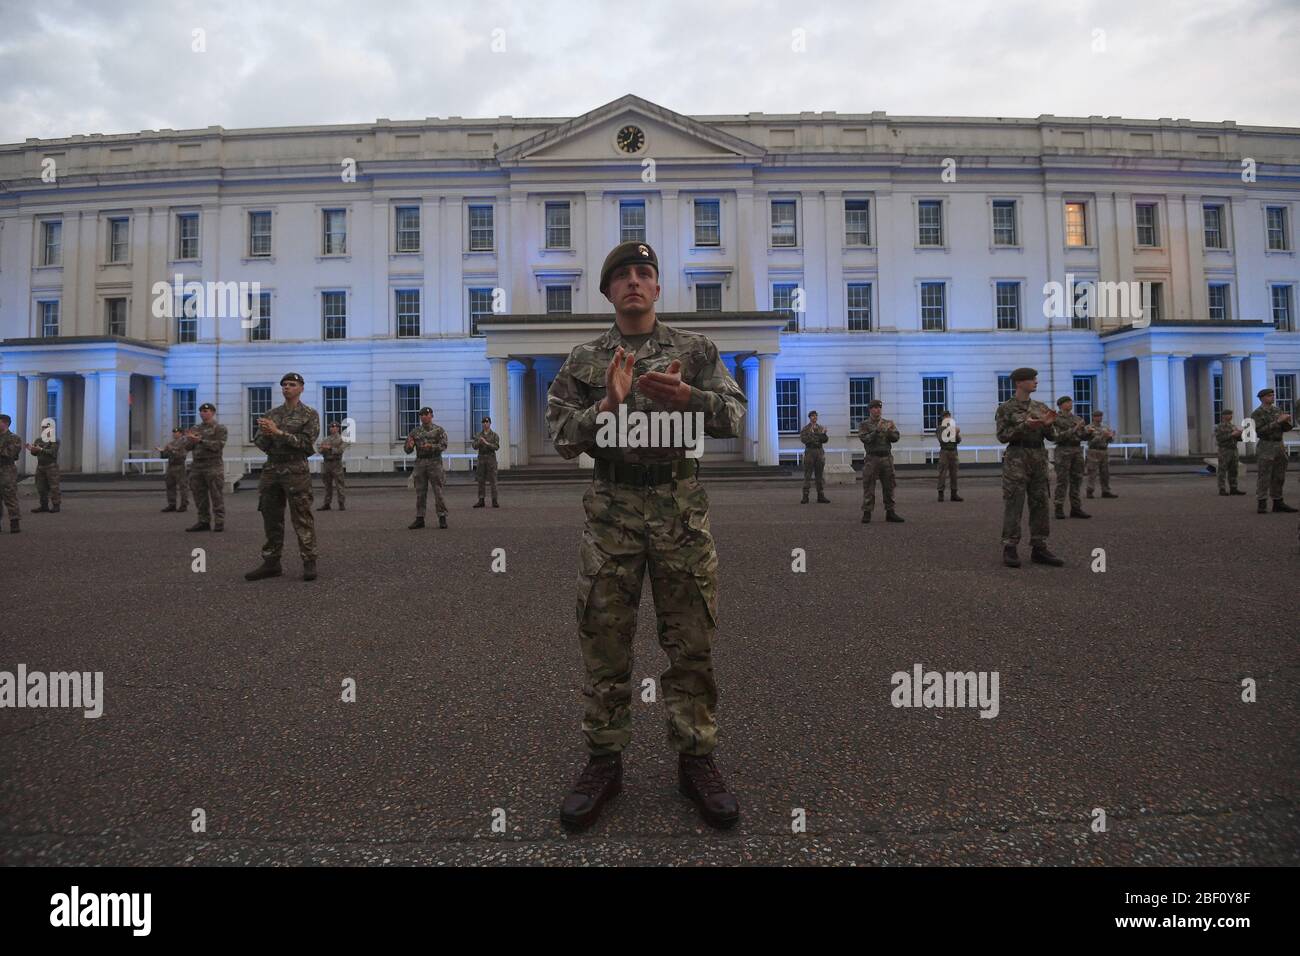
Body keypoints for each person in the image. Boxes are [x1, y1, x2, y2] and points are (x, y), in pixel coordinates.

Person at [547, 239, 746, 832]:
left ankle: (696, 759)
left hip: (679, 507)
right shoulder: (586, 358)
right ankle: (604, 759)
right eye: (622, 276)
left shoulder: (695, 349)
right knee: (604, 637)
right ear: (608, 291)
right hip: (612, 509)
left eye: (644, 273)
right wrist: (606, 403)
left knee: (691, 638)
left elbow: (736, 416)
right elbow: (561, 436)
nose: (634, 282)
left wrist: (693, 397)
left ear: (658, 288)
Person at [246, 373, 320, 582]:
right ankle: (271, 562)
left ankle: (309, 560)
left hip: (295, 469)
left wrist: (278, 433)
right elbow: (260, 442)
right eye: (285, 385)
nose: (287, 388)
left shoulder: (309, 414)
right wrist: (266, 434)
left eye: (292, 385)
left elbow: (306, 445)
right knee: (270, 516)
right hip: (272, 469)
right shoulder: (272, 413)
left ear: (301, 388)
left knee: (302, 516)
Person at [995, 367, 1064, 568]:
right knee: (1014, 503)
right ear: (1019, 383)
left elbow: (1054, 437)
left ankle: (1039, 547)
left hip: (1038, 457)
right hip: (1017, 458)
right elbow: (1002, 436)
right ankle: (1010, 547)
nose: (1036, 382)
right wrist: (1026, 426)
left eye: (1035, 379)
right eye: (1031, 379)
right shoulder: (1006, 409)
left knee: (1040, 502)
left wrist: (1048, 424)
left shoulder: (1041, 407)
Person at [1249, 387, 1296, 514]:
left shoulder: (1277, 410)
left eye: (1273, 395)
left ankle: (1278, 502)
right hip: (1266, 445)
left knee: (1279, 475)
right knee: (1264, 475)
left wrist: (1286, 422)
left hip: (1279, 445)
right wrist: (1277, 422)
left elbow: (1286, 428)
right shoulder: (1256, 413)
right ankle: (1262, 502)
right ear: (1262, 398)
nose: (1272, 397)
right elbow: (1259, 431)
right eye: (1270, 395)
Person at [858, 400, 903, 523]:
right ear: (870, 410)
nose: (878, 410)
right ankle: (867, 512)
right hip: (872, 458)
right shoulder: (864, 424)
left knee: (889, 486)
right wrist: (876, 431)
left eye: (879, 408)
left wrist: (889, 432)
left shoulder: (888, 423)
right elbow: (865, 439)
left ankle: (890, 512)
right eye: (875, 408)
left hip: (886, 458)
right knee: (869, 486)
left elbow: (896, 438)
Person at [184, 403, 227, 532]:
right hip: (197, 466)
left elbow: (218, 446)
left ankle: (219, 522)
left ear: (213, 412)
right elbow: (187, 447)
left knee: (216, 495)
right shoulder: (195, 428)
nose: (204, 413)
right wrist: (190, 440)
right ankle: (203, 521)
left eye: (207, 411)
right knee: (199, 495)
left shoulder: (219, 428)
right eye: (202, 411)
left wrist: (200, 441)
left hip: (213, 466)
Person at [405, 407, 448, 529]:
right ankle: (420, 518)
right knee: (420, 492)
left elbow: (444, 445)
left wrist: (431, 446)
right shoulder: (415, 432)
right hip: (420, 463)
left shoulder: (439, 430)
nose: (424, 416)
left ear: (431, 415)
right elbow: (407, 450)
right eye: (422, 414)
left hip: (435, 462)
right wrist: (409, 445)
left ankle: (442, 517)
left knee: (438, 491)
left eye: (426, 414)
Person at [1051, 396, 1090, 520]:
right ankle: (1059, 508)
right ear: (1061, 405)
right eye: (1067, 402)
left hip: (1077, 450)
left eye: (1071, 402)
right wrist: (1074, 429)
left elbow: (1083, 436)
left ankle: (1076, 508)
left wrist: (1088, 432)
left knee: (1077, 480)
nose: (1070, 404)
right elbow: (1057, 437)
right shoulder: (1055, 419)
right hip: (1063, 450)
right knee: (1062, 481)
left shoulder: (1076, 418)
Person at [1084, 411, 1118, 499]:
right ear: (1093, 417)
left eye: (1100, 416)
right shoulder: (1089, 428)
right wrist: (1102, 435)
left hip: (1103, 451)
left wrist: (1111, 436)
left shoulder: (1105, 427)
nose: (1099, 418)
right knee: (1092, 472)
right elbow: (1091, 442)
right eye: (1097, 416)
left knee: (1105, 473)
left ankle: (1106, 491)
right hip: (1094, 451)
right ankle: (1090, 491)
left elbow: (1110, 441)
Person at [25, 431, 61, 513]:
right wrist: (31, 449)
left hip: (51, 467)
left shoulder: (54, 440)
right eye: (43, 428)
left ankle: (56, 505)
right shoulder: (38, 440)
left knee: (54, 487)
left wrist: (40, 449)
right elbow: (35, 453)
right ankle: (44, 506)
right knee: (41, 487)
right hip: (40, 467)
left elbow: (52, 452)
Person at [799, 410, 829, 504]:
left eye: (815, 416)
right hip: (810, 452)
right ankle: (805, 496)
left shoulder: (821, 428)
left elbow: (825, 440)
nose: (814, 417)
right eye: (812, 416)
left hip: (819, 451)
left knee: (819, 475)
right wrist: (817, 436)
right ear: (809, 417)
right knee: (807, 475)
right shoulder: (805, 429)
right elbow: (804, 440)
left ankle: (820, 495)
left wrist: (823, 434)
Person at [1214, 409, 1247, 496]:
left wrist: (1241, 434)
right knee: (1222, 470)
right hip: (1224, 450)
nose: (1231, 416)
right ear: (1224, 416)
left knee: (1234, 470)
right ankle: (1222, 489)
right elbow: (1220, 439)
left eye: (1231, 414)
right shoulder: (1219, 427)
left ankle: (1233, 488)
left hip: (1233, 450)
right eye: (1229, 414)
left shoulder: (1233, 426)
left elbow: (1238, 439)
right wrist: (1232, 434)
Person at [157, 427, 190, 512]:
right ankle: (172, 504)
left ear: (181, 433)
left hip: (179, 466)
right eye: (173, 432)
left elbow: (181, 455)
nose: (174, 434)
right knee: (170, 486)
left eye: (176, 432)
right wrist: (162, 451)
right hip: (171, 466)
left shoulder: (184, 442)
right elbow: (165, 456)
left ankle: (184, 505)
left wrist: (171, 449)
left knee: (183, 487)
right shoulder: (171, 443)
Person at [471, 415, 501, 508]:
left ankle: (494, 500)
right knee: (481, 480)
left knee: (493, 480)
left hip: (491, 459)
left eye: (487, 422)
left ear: (490, 423)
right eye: (483, 422)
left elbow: (496, 447)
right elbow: (474, 446)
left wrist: (487, 443)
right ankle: (481, 500)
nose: (485, 424)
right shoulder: (478, 435)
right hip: (481, 459)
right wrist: (479, 442)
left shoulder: (494, 435)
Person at [317, 420, 347, 511]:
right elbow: (320, 449)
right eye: (331, 427)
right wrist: (323, 449)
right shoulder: (326, 439)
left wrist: (330, 448)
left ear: (338, 428)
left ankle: (341, 503)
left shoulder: (342, 439)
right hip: (327, 464)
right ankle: (327, 503)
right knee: (327, 485)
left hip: (336, 464)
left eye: (335, 427)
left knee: (340, 485)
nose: (333, 428)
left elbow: (340, 450)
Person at [0, 414, 21, 533]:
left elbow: (10, 453)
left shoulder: (14, 438)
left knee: (10, 496)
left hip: (7, 470)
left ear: (5, 423)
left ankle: (14, 522)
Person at [936, 409, 962, 502]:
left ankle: (954, 494)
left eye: (948, 416)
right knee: (942, 473)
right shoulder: (940, 428)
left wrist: (956, 433)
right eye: (946, 416)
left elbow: (958, 440)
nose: (948, 418)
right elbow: (942, 439)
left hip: (953, 452)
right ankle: (940, 494)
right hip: (944, 452)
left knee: (954, 474)